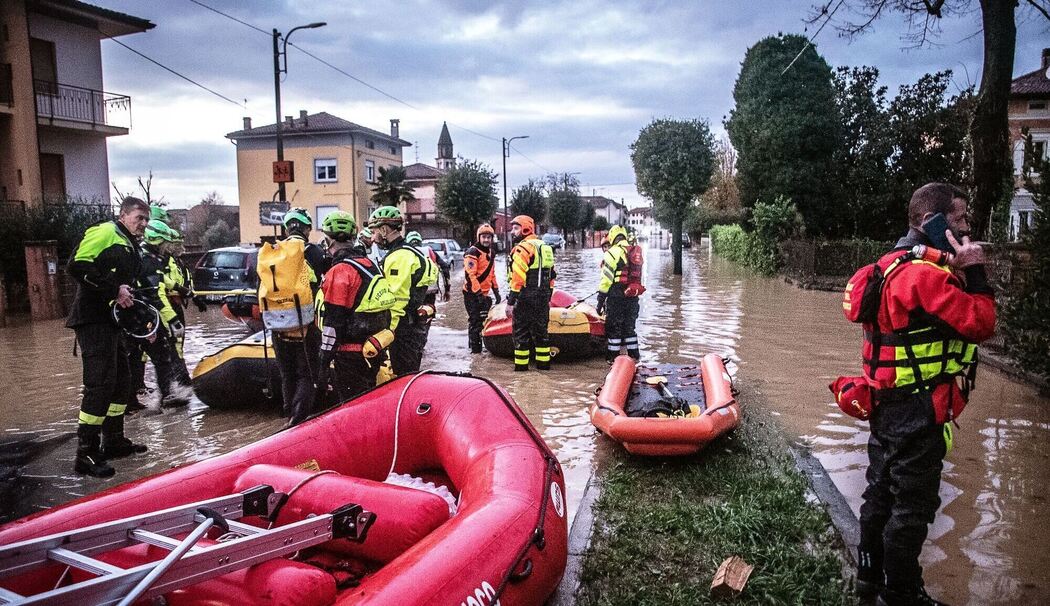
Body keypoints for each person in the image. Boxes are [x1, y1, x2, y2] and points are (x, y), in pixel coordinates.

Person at [851, 183, 996, 606]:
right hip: (919, 408)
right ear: (932, 222)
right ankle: (901, 592)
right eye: (960, 219)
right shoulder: (926, 276)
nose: (967, 228)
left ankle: (868, 577)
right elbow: (982, 323)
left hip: (884, 403)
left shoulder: (884, 267)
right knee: (912, 505)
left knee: (880, 491)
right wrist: (975, 270)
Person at [65, 196, 151, 477]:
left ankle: (113, 441)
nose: (144, 224)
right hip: (92, 320)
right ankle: (85, 453)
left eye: (146, 220)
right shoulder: (105, 232)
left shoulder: (130, 244)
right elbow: (76, 266)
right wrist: (114, 290)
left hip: (112, 322)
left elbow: (126, 285)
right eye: (139, 218)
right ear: (123, 215)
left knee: (122, 381)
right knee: (99, 384)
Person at [315, 211, 396, 400]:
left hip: (350, 356)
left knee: (351, 404)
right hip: (374, 348)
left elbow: (333, 323)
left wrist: (323, 361)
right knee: (368, 400)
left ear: (328, 241)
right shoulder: (370, 265)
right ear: (353, 238)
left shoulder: (340, 271)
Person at [270, 208, 328, 426]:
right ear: (307, 229)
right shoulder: (315, 252)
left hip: (278, 325)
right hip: (307, 324)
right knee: (307, 374)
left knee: (287, 375)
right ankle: (299, 420)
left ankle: (288, 416)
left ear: (287, 229)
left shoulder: (273, 252)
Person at [128, 220, 192, 406]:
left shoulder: (144, 255)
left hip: (135, 313)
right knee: (161, 354)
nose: (167, 247)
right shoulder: (150, 260)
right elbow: (156, 294)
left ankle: (132, 400)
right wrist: (173, 320)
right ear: (156, 240)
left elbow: (162, 280)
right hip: (143, 314)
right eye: (165, 243)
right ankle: (166, 396)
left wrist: (183, 289)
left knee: (135, 355)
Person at [368, 206, 437, 375]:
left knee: (401, 376)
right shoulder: (411, 252)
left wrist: (387, 333)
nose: (372, 238)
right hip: (414, 327)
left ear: (384, 230)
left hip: (402, 330)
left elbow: (396, 301)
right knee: (410, 373)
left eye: (374, 232)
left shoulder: (398, 257)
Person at [506, 215, 556, 371]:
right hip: (542, 298)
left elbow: (518, 278)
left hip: (525, 298)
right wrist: (548, 296)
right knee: (542, 335)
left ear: (526, 229)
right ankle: (544, 368)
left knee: (521, 335)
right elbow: (552, 275)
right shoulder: (546, 247)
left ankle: (521, 374)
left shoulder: (522, 248)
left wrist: (510, 302)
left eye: (516, 228)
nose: (512, 232)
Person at [596, 225, 644, 362]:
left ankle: (613, 359)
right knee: (629, 328)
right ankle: (635, 357)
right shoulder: (635, 252)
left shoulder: (611, 253)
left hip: (616, 295)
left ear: (612, 237)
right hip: (632, 295)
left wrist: (600, 301)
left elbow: (606, 280)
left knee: (614, 327)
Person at [462, 223, 501, 353]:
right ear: (479, 237)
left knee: (483, 321)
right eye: (483, 237)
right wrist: (478, 294)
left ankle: (477, 347)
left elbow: (492, 274)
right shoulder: (473, 252)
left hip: (484, 294)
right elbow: (470, 275)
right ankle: (475, 352)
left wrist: (496, 291)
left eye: (489, 237)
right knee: (475, 321)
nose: (486, 240)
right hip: (471, 294)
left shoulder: (491, 253)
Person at [405, 231, 451, 304]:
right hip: (430, 290)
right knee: (429, 309)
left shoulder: (405, 253)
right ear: (420, 242)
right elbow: (445, 268)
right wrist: (447, 290)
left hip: (412, 292)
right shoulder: (429, 251)